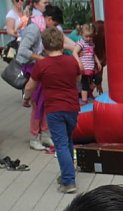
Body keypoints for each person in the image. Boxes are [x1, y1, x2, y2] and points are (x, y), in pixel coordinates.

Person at [23, 27, 80, 194]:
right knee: (68, 140)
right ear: (62, 44)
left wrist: (26, 99)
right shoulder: (71, 62)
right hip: (72, 107)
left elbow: (30, 86)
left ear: (44, 45)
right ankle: (66, 175)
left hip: (54, 109)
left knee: (61, 144)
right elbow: (78, 78)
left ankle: (69, 181)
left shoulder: (42, 65)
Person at [15, 2, 59, 151]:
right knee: (36, 104)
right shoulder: (34, 28)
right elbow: (22, 51)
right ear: (48, 19)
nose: (55, 27)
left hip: (41, 68)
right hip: (31, 69)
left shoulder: (44, 27)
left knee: (45, 102)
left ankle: (45, 133)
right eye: (55, 23)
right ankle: (34, 137)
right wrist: (43, 59)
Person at [73, 22, 101, 104]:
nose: (88, 38)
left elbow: (93, 53)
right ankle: (84, 101)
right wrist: (79, 63)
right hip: (84, 68)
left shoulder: (91, 43)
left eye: (90, 36)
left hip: (91, 68)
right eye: (86, 36)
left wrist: (98, 61)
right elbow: (74, 52)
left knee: (98, 79)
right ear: (81, 34)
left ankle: (90, 90)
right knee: (84, 85)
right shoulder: (81, 43)